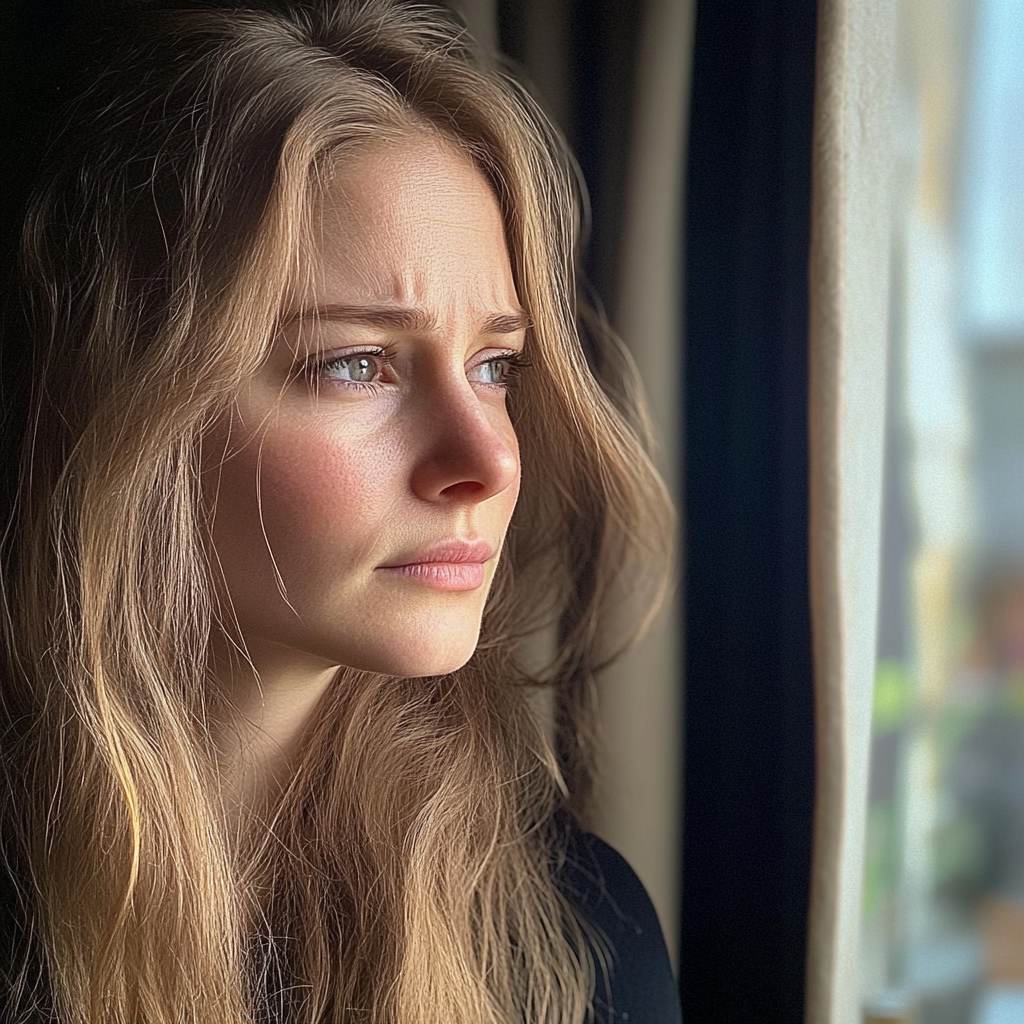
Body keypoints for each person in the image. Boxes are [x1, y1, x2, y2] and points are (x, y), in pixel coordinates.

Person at [0, 2, 678, 1021]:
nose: (486, 458)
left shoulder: (578, 939)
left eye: (496, 365)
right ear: (129, 408)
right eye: (357, 363)